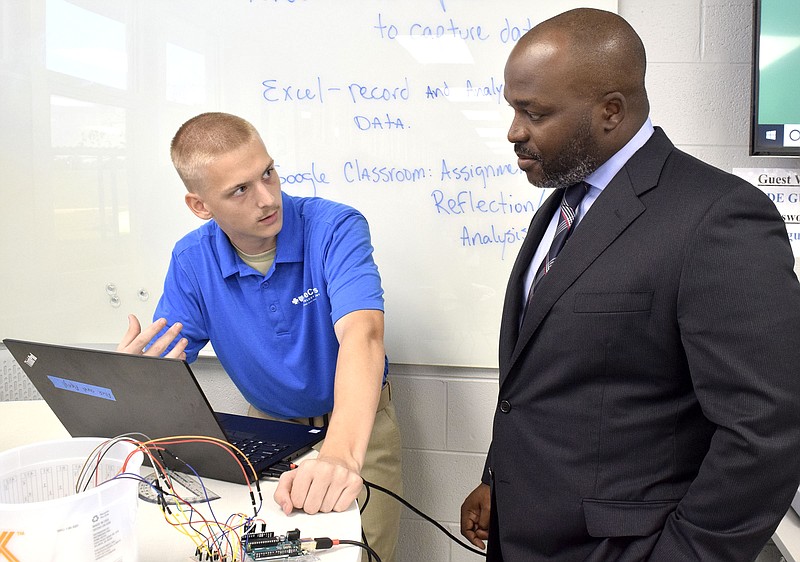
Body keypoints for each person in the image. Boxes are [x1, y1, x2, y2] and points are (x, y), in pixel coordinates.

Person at [460, 8, 800, 562]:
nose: (514, 131)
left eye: (533, 112)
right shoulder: (563, 207)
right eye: (512, 108)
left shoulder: (717, 217)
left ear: (610, 112)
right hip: (527, 537)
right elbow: (549, 380)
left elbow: (766, 432)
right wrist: (500, 479)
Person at [117, 112, 402, 562]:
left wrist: (341, 456)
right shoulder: (192, 259)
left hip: (353, 424)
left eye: (267, 172)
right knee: (264, 552)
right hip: (266, 427)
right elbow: (166, 364)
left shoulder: (335, 228)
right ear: (201, 206)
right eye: (240, 190)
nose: (269, 198)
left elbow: (363, 335)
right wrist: (133, 378)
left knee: (363, 553)